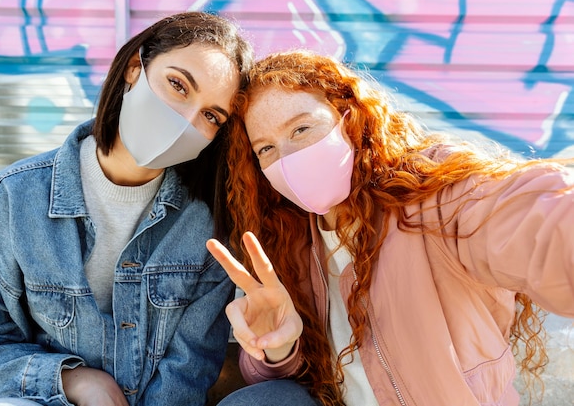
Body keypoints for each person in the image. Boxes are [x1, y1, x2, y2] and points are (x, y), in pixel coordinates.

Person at [206, 49, 574, 406]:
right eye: (266, 149)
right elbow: (282, 377)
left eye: (301, 128)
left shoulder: (432, 191)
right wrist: (277, 347)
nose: (286, 158)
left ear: (348, 120)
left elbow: (528, 220)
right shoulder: (288, 235)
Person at [0, 11, 253, 406]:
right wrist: (72, 380)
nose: (186, 120)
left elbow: (186, 373)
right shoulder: (12, 201)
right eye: (178, 85)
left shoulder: (207, 229)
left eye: (211, 115)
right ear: (133, 68)